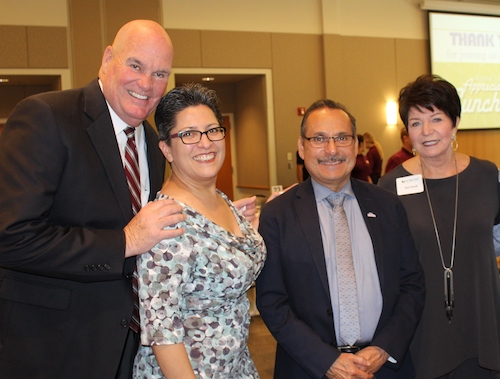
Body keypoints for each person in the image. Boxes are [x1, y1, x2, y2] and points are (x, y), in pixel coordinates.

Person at [0, 20, 258, 379]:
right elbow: (11, 237)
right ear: (108, 58)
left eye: (159, 73)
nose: (147, 84)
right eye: (136, 66)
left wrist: (222, 219)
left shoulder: (154, 143)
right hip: (55, 346)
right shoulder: (48, 116)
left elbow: (166, 227)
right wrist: (124, 241)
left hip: (133, 352)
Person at [256, 99, 425, 379]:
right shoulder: (277, 215)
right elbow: (272, 301)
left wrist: (384, 347)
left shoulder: (388, 206)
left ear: (356, 146)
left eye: (342, 138)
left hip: (384, 367)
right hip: (309, 368)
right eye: (319, 139)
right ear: (301, 147)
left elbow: (412, 284)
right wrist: (327, 361)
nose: (332, 150)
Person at [133, 83, 266, 379]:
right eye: (189, 134)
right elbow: (162, 331)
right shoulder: (167, 219)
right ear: (166, 148)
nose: (205, 143)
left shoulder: (223, 201)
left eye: (212, 130)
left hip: (236, 365)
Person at [379, 74, 500, 378]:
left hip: (483, 320)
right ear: (407, 131)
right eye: (416, 122)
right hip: (422, 328)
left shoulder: (487, 176)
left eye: (436, 118)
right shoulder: (390, 186)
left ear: (455, 122)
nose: (427, 131)